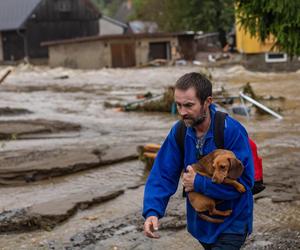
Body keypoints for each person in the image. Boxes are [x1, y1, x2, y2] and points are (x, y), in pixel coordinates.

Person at [143, 72, 254, 249]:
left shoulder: (231, 131)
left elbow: (246, 182)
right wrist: (152, 211)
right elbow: (163, 173)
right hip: (200, 227)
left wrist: (198, 183)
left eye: (188, 105)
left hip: (232, 224)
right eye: (178, 105)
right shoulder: (179, 132)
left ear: (207, 102)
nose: (182, 112)